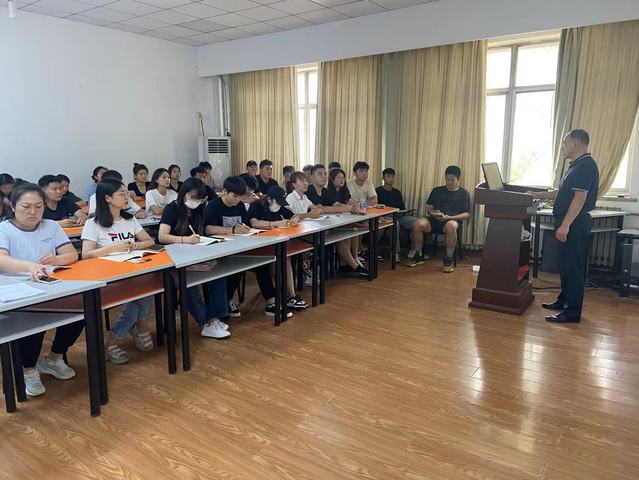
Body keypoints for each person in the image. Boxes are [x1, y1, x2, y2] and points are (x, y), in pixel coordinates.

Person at [0, 182, 80, 396]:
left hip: (50, 286)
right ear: (13, 206)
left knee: (81, 312)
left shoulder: (51, 226)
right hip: (16, 290)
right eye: (26, 206)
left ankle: (54, 358)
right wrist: (29, 266)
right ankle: (28, 370)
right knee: (32, 325)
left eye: (38, 206)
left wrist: (56, 259)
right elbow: (1, 260)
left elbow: (72, 254)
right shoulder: (4, 229)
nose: (33, 212)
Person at [81, 179, 156, 363]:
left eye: (126, 193)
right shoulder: (94, 223)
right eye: (121, 194)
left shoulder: (129, 219)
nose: (127, 196)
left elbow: (149, 241)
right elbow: (86, 255)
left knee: (144, 290)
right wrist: (112, 248)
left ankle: (128, 331)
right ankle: (121, 336)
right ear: (107, 198)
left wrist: (136, 245)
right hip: (108, 277)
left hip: (133, 270)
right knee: (137, 300)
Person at [530, 130, 599, 323]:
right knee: (566, 266)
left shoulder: (585, 166)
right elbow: (562, 192)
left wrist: (566, 225)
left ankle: (572, 312)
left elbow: (579, 198)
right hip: (569, 221)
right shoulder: (576, 165)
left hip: (574, 223)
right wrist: (536, 194)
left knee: (573, 268)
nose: (562, 148)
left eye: (564, 143)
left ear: (575, 144)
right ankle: (564, 300)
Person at [205, 176, 291, 318]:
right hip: (220, 250)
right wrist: (233, 230)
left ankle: (271, 302)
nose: (237, 200)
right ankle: (227, 301)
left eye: (240, 197)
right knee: (236, 267)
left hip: (240, 247)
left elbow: (246, 224)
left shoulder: (239, 206)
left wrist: (245, 228)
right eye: (234, 196)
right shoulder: (214, 205)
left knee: (261, 263)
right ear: (225, 192)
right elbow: (208, 229)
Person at [158, 178, 230, 338]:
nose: (196, 202)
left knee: (218, 276)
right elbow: (162, 236)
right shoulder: (172, 209)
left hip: (194, 255)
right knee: (187, 285)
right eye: (193, 198)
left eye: (200, 199)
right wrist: (185, 239)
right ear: (184, 194)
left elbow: (201, 232)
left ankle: (214, 318)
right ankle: (205, 322)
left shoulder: (199, 209)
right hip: (174, 259)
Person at [248, 186, 308, 310]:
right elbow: (254, 223)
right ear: (269, 199)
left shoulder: (280, 208)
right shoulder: (257, 206)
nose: (280, 205)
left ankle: (290, 295)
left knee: (285, 256)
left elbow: (294, 216)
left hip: (274, 243)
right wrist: (276, 224)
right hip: (256, 245)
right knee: (279, 257)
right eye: (278, 202)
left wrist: (294, 220)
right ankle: (286, 294)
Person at [306, 165, 367, 277]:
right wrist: (346, 209)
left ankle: (346, 266)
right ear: (312, 177)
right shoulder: (309, 190)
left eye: (325, 174)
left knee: (345, 233)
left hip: (324, 225)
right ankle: (354, 267)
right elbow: (321, 209)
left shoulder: (324, 191)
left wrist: (351, 207)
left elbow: (335, 204)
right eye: (320, 174)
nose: (324, 176)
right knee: (341, 234)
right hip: (310, 228)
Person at [376, 168, 430, 264]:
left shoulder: (397, 192)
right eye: (388, 176)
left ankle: (415, 250)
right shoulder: (378, 191)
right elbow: (376, 207)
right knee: (395, 224)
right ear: (383, 178)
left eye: (392, 176)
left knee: (418, 222)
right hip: (386, 216)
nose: (391, 179)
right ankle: (395, 252)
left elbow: (401, 208)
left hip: (400, 215)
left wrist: (405, 212)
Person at [423, 166, 470, 273]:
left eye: (452, 180)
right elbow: (429, 209)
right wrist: (435, 214)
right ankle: (416, 253)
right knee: (419, 223)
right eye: (447, 179)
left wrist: (449, 217)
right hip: (436, 219)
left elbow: (466, 214)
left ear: (458, 179)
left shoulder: (463, 193)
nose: (449, 182)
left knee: (451, 225)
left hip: (451, 220)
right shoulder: (437, 190)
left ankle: (448, 258)